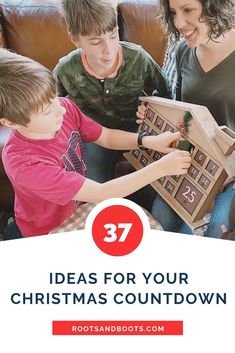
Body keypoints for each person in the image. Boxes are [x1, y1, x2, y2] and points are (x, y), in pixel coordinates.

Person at [0, 49, 191, 238]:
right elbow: (102, 192)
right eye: (46, 111)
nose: (61, 110)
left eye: (53, 97)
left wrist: (149, 141)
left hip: (80, 204)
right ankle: (13, 229)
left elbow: (105, 136)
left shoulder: (63, 107)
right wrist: (162, 168)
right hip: (48, 229)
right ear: (11, 123)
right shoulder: (24, 164)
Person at [137, 0, 235, 238]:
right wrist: (152, 114)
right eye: (173, 13)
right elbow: (182, 113)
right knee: (162, 220)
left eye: (188, 10)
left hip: (230, 172)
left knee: (217, 229)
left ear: (215, 6)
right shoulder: (182, 51)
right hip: (190, 161)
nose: (178, 23)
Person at [54, 0, 171, 185]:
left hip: (139, 130)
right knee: (93, 187)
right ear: (75, 39)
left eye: (113, 35)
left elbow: (166, 92)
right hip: (96, 136)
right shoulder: (65, 70)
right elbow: (55, 109)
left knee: (154, 187)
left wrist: (150, 106)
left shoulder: (138, 58)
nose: (108, 50)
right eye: (95, 42)